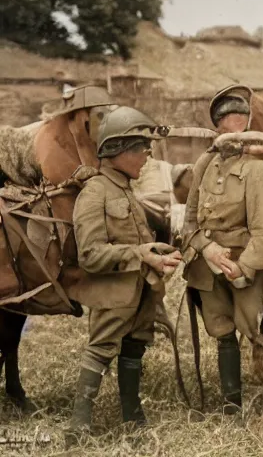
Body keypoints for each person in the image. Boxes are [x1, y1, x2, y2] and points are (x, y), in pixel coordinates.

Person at [67, 106, 179, 438]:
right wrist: (140, 254)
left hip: (142, 292)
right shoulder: (95, 192)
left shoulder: (127, 191)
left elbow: (136, 240)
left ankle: (133, 419)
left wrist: (156, 252)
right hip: (114, 296)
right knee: (101, 350)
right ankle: (79, 425)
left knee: (135, 348)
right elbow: (89, 254)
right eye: (140, 148)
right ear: (117, 150)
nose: (147, 155)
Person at [182, 84, 263, 415]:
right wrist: (206, 249)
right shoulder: (204, 165)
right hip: (209, 265)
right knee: (220, 329)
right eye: (227, 122)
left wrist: (245, 266)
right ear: (217, 128)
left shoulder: (257, 169)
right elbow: (189, 222)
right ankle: (231, 404)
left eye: (241, 121)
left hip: (242, 266)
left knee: (254, 326)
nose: (235, 128)